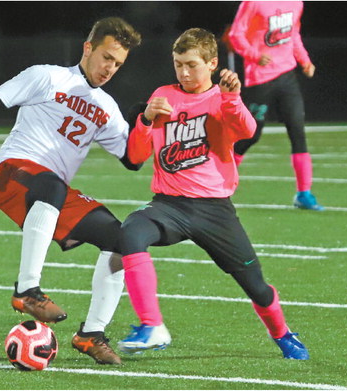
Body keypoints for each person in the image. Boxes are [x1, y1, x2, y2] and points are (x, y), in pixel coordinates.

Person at [0, 17, 142, 365]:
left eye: (117, 63)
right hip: (13, 172)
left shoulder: (107, 108)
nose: (110, 68)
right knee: (52, 184)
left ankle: (91, 334)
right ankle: (27, 290)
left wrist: (142, 123)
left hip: (51, 191)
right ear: (88, 48)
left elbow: (133, 160)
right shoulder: (48, 76)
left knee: (122, 239)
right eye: (106, 57)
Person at [116, 28, 309, 360]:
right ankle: (152, 326)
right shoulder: (163, 95)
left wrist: (232, 98)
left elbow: (247, 130)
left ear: (212, 63)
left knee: (257, 287)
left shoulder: (222, 98)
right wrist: (145, 120)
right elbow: (134, 156)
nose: (184, 72)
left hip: (215, 211)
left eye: (191, 64)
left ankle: (282, 332)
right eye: (178, 64)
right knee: (131, 231)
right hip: (169, 206)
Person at [226, 1, 323, 211]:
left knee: (297, 130)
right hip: (260, 79)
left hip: (287, 76)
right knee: (250, 135)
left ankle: (304, 194)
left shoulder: (296, 3)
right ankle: (219, 185)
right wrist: (255, 55)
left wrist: (304, 60)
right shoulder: (253, 3)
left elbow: (293, 33)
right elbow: (236, 35)